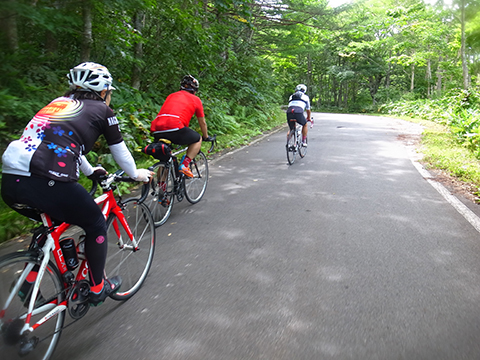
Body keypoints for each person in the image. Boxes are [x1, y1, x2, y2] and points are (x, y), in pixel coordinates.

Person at [1, 62, 152, 306]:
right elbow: (120, 152)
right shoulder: (102, 110)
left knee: (51, 224)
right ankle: (97, 288)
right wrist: (136, 174)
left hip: (11, 179)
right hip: (47, 178)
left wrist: (91, 171)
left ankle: (28, 284)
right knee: (94, 223)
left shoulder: (58, 104)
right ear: (104, 91)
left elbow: (60, 141)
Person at [150, 75, 211, 178]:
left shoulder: (171, 95)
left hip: (157, 128)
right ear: (195, 90)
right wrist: (206, 136)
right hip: (174, 126)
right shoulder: (195, 99)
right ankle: (184, 165)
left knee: (165, 159)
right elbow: (202, 123)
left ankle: (161, 190)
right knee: (197, 138)